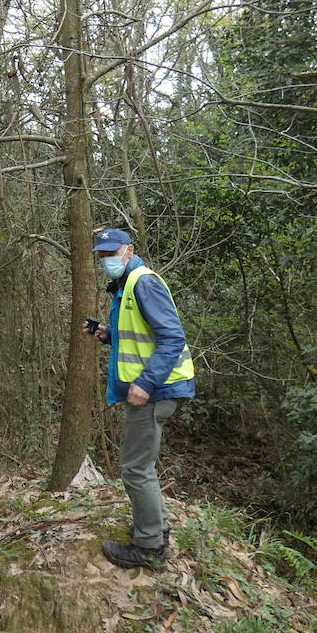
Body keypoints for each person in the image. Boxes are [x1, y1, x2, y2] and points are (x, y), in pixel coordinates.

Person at [83, 227, 196, 570]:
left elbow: (173, 337)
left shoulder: (143, 282)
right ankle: (156, 529)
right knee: (141, 466)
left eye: (112, 253)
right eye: (102, 256)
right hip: (150, 390)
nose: (107, 261)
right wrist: (106, 334)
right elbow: (139, 336)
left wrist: (146, 383)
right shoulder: (127, 285)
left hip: (153, 391)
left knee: (134, 468)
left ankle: (149, 548)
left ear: (129, 250)